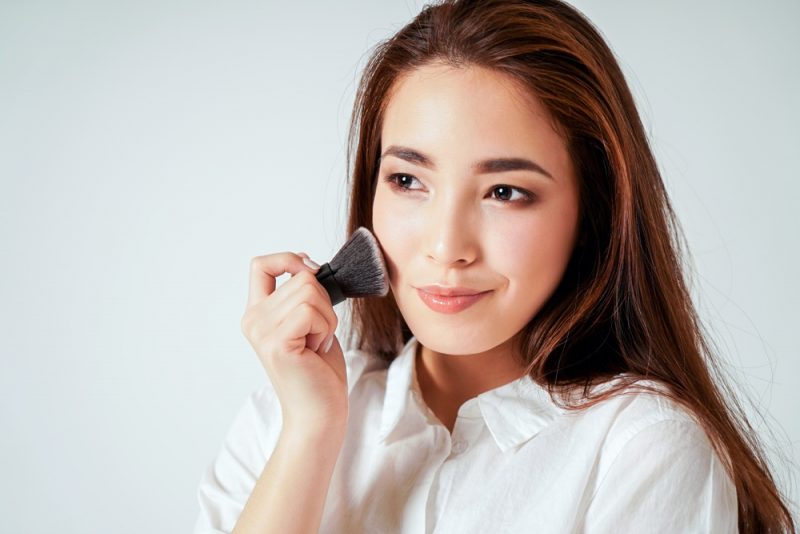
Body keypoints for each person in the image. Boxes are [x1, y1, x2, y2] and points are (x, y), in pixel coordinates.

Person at [193, 1, 796, 532]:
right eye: (407, 180)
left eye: (504, 191)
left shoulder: (643, 448)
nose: (447, 246)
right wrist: (310, 433)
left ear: (595, 210)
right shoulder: (283, 416)